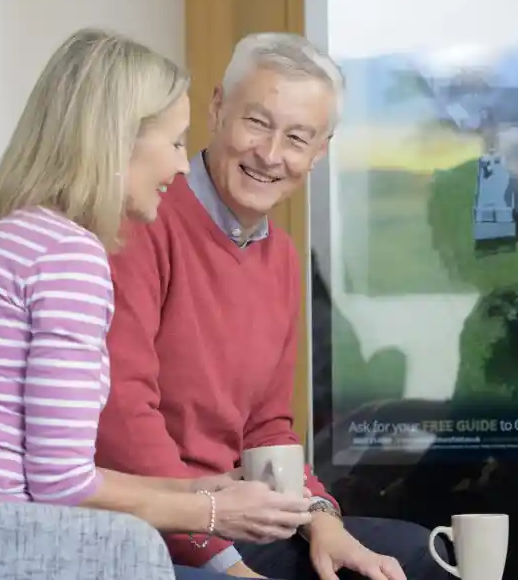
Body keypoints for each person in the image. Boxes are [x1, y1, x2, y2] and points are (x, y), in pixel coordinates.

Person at [0, 28, 305, 580]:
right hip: (1, 549)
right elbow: (63, 484)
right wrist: (212, 511)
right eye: (177, 142)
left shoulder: (6, 240)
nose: (184, 168)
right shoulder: (68, 256)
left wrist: (192, 487)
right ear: (119, 141)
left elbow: (46, 470)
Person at [93, 32, 444, 580]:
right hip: (152, 527)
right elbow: (121, 420)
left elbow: (267, 428)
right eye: (256, 122)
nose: (271, 154)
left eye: (298, 137)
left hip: (238, 519)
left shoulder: (280, 257)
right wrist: (229, 566)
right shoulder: (142, 218)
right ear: (217, 109)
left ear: (319, 151)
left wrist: (323, 522)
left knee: (415, 555)